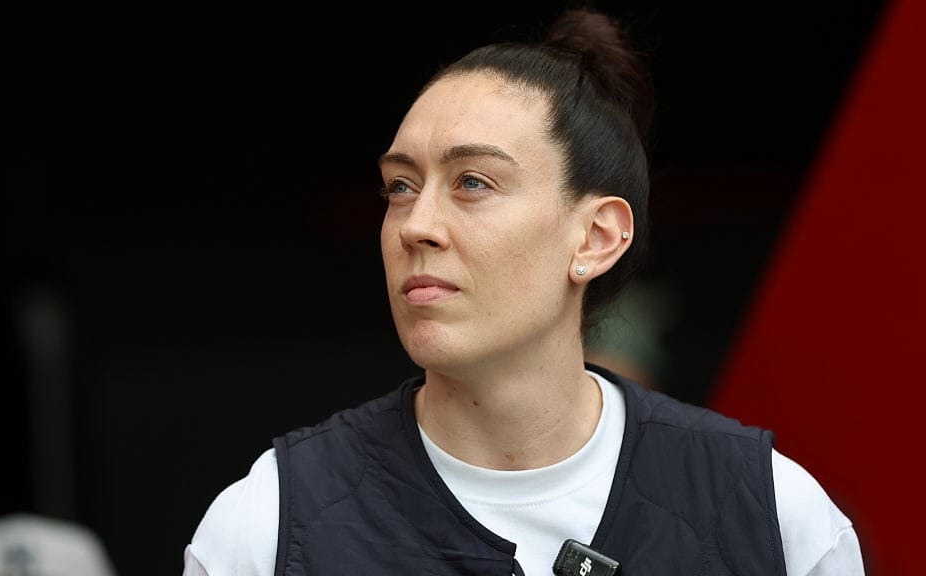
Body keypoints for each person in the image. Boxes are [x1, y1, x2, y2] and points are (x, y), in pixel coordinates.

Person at [182, 5, 865, 575]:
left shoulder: (773, 517)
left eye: (473, 182)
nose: (416, 225)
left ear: (596, 236)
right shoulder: (271, 525)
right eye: (399, 186)